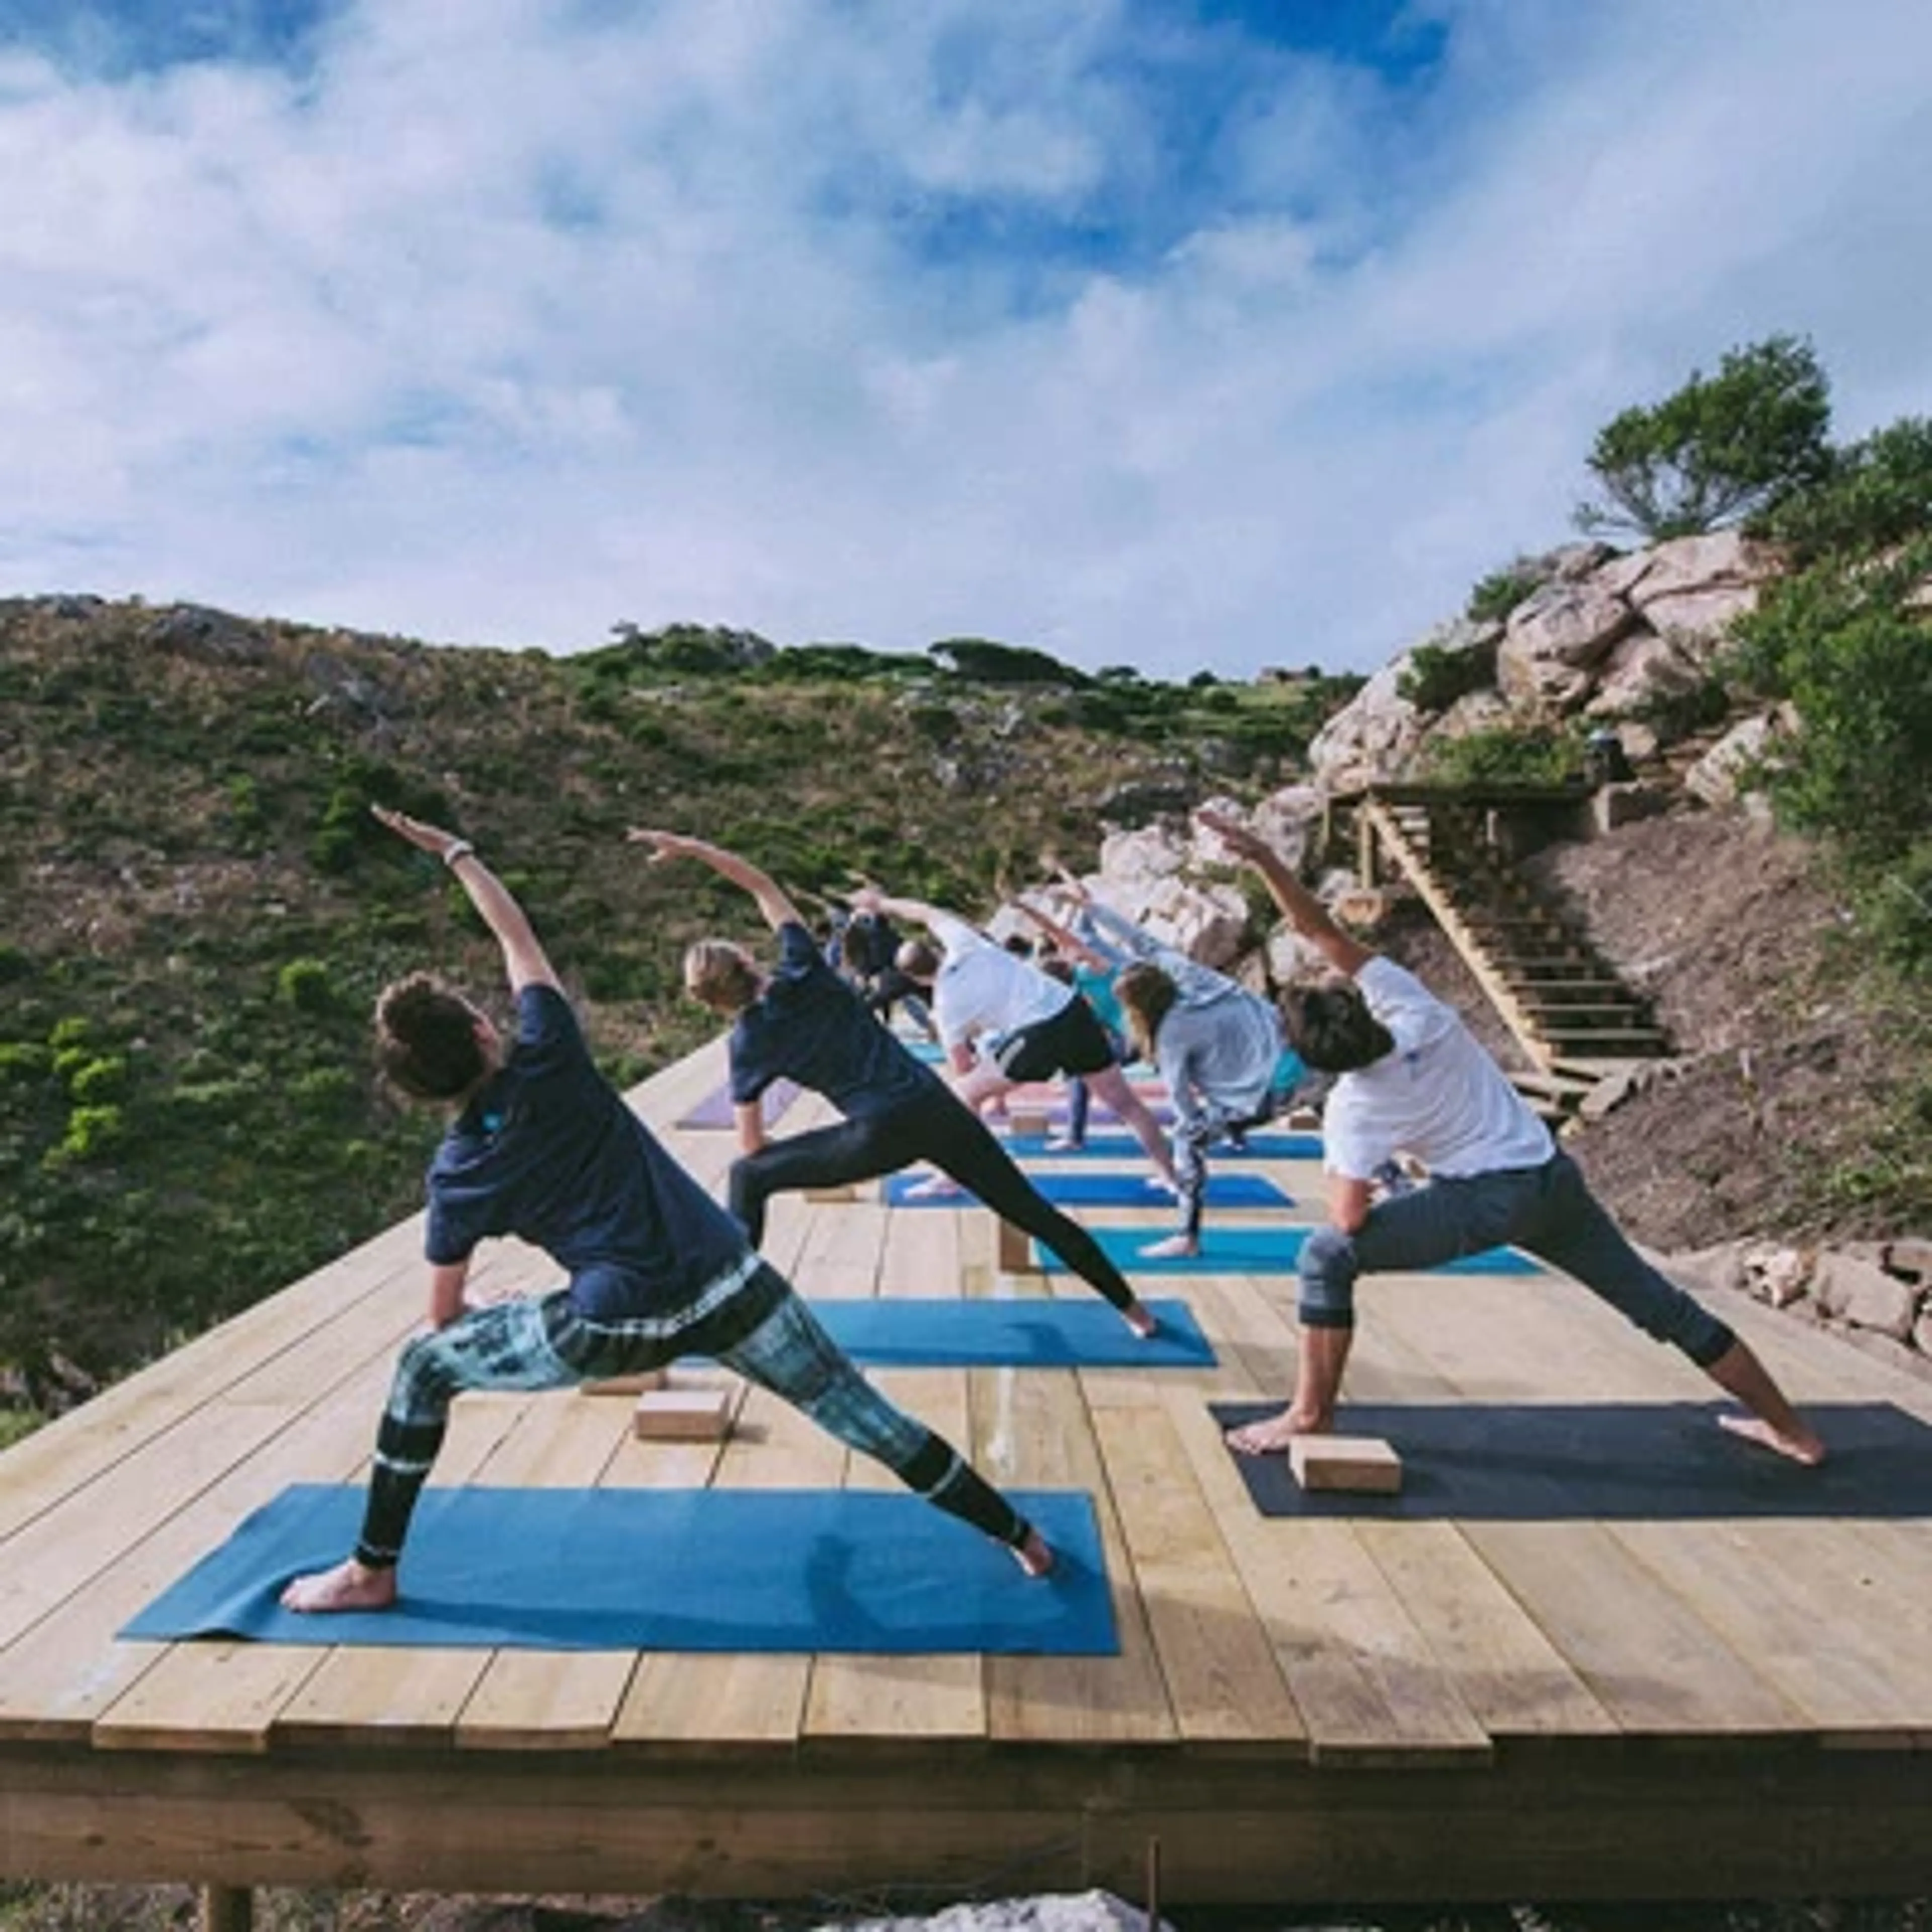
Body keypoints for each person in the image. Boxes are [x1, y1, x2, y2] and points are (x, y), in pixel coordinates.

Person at [280, 809, 1053, 1615]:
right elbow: (517, 939)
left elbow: (441, 1319)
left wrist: (479, 1307)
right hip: (733, 1279)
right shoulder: (551, 1052)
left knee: (421, 1369)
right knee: (867, 1420)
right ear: (483, 1030)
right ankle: (1020, 1538)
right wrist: (458, 853)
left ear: (422, 1093)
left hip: (621, 1324)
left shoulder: (460, 1171)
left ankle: (373, 1570)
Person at [1195, 808, 1826, 1468]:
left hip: (1485, 1201)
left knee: (1325, 1258)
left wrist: (1364, 1172)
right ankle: (1793, 1432)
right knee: (1659, 1307)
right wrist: (1267, 859)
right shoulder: (1417, 1011)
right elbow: (1317, 929)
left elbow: (1348, 1218)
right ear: (1356, 1005)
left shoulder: (1355, 1107)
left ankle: (1310, 1413)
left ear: (1321, 1061)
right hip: (1553, 1179)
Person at [631, 830, 1162, 1339]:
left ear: (712, 1001)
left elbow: (751, 1145)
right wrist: (692, 849)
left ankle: (731, 1314)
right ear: (746, 960)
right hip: (937, 1109)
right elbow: (762, 886)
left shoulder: (746, 1046)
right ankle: (1136, 1314)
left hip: (875, 1136)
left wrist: (803, 1155)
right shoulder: (805, 968)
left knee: (749, 1176)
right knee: (1031, 1212)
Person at [862, 885, 1182, 1194]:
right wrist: (882, 903)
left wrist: (986, 1090)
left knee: (961, 1094)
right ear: (934, 950)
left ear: (916, 979)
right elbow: (924, 912)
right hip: (1073, 1011)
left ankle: (952, 1175)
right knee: (1126, 1104)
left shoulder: (946, 1007)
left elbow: (962, 1067)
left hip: (1037, 1034)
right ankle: (1169, 1175)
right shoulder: (966, 942)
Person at [1051, 875, 1302, 1260]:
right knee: (1341, 1096)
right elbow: (1141, 941)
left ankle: (1187, 1235)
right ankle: (1394, 1181)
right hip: (1307, 1060)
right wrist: (1090, 907)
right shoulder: (1188, 975)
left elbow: (1182, 1101)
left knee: (1187, 1139)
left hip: (1265, 1098)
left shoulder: (1169, 1036)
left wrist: (1187, 1134)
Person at [1012, 893, 1135, 1152]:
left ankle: (1076, 1136)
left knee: (1081, 1073)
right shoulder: (1070, 991)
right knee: (1079, 1071)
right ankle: (1082, 1130)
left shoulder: (1095, 971)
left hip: (1141, 1037)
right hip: (1128, 1037)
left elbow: (1056, 932)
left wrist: (1028, 909)